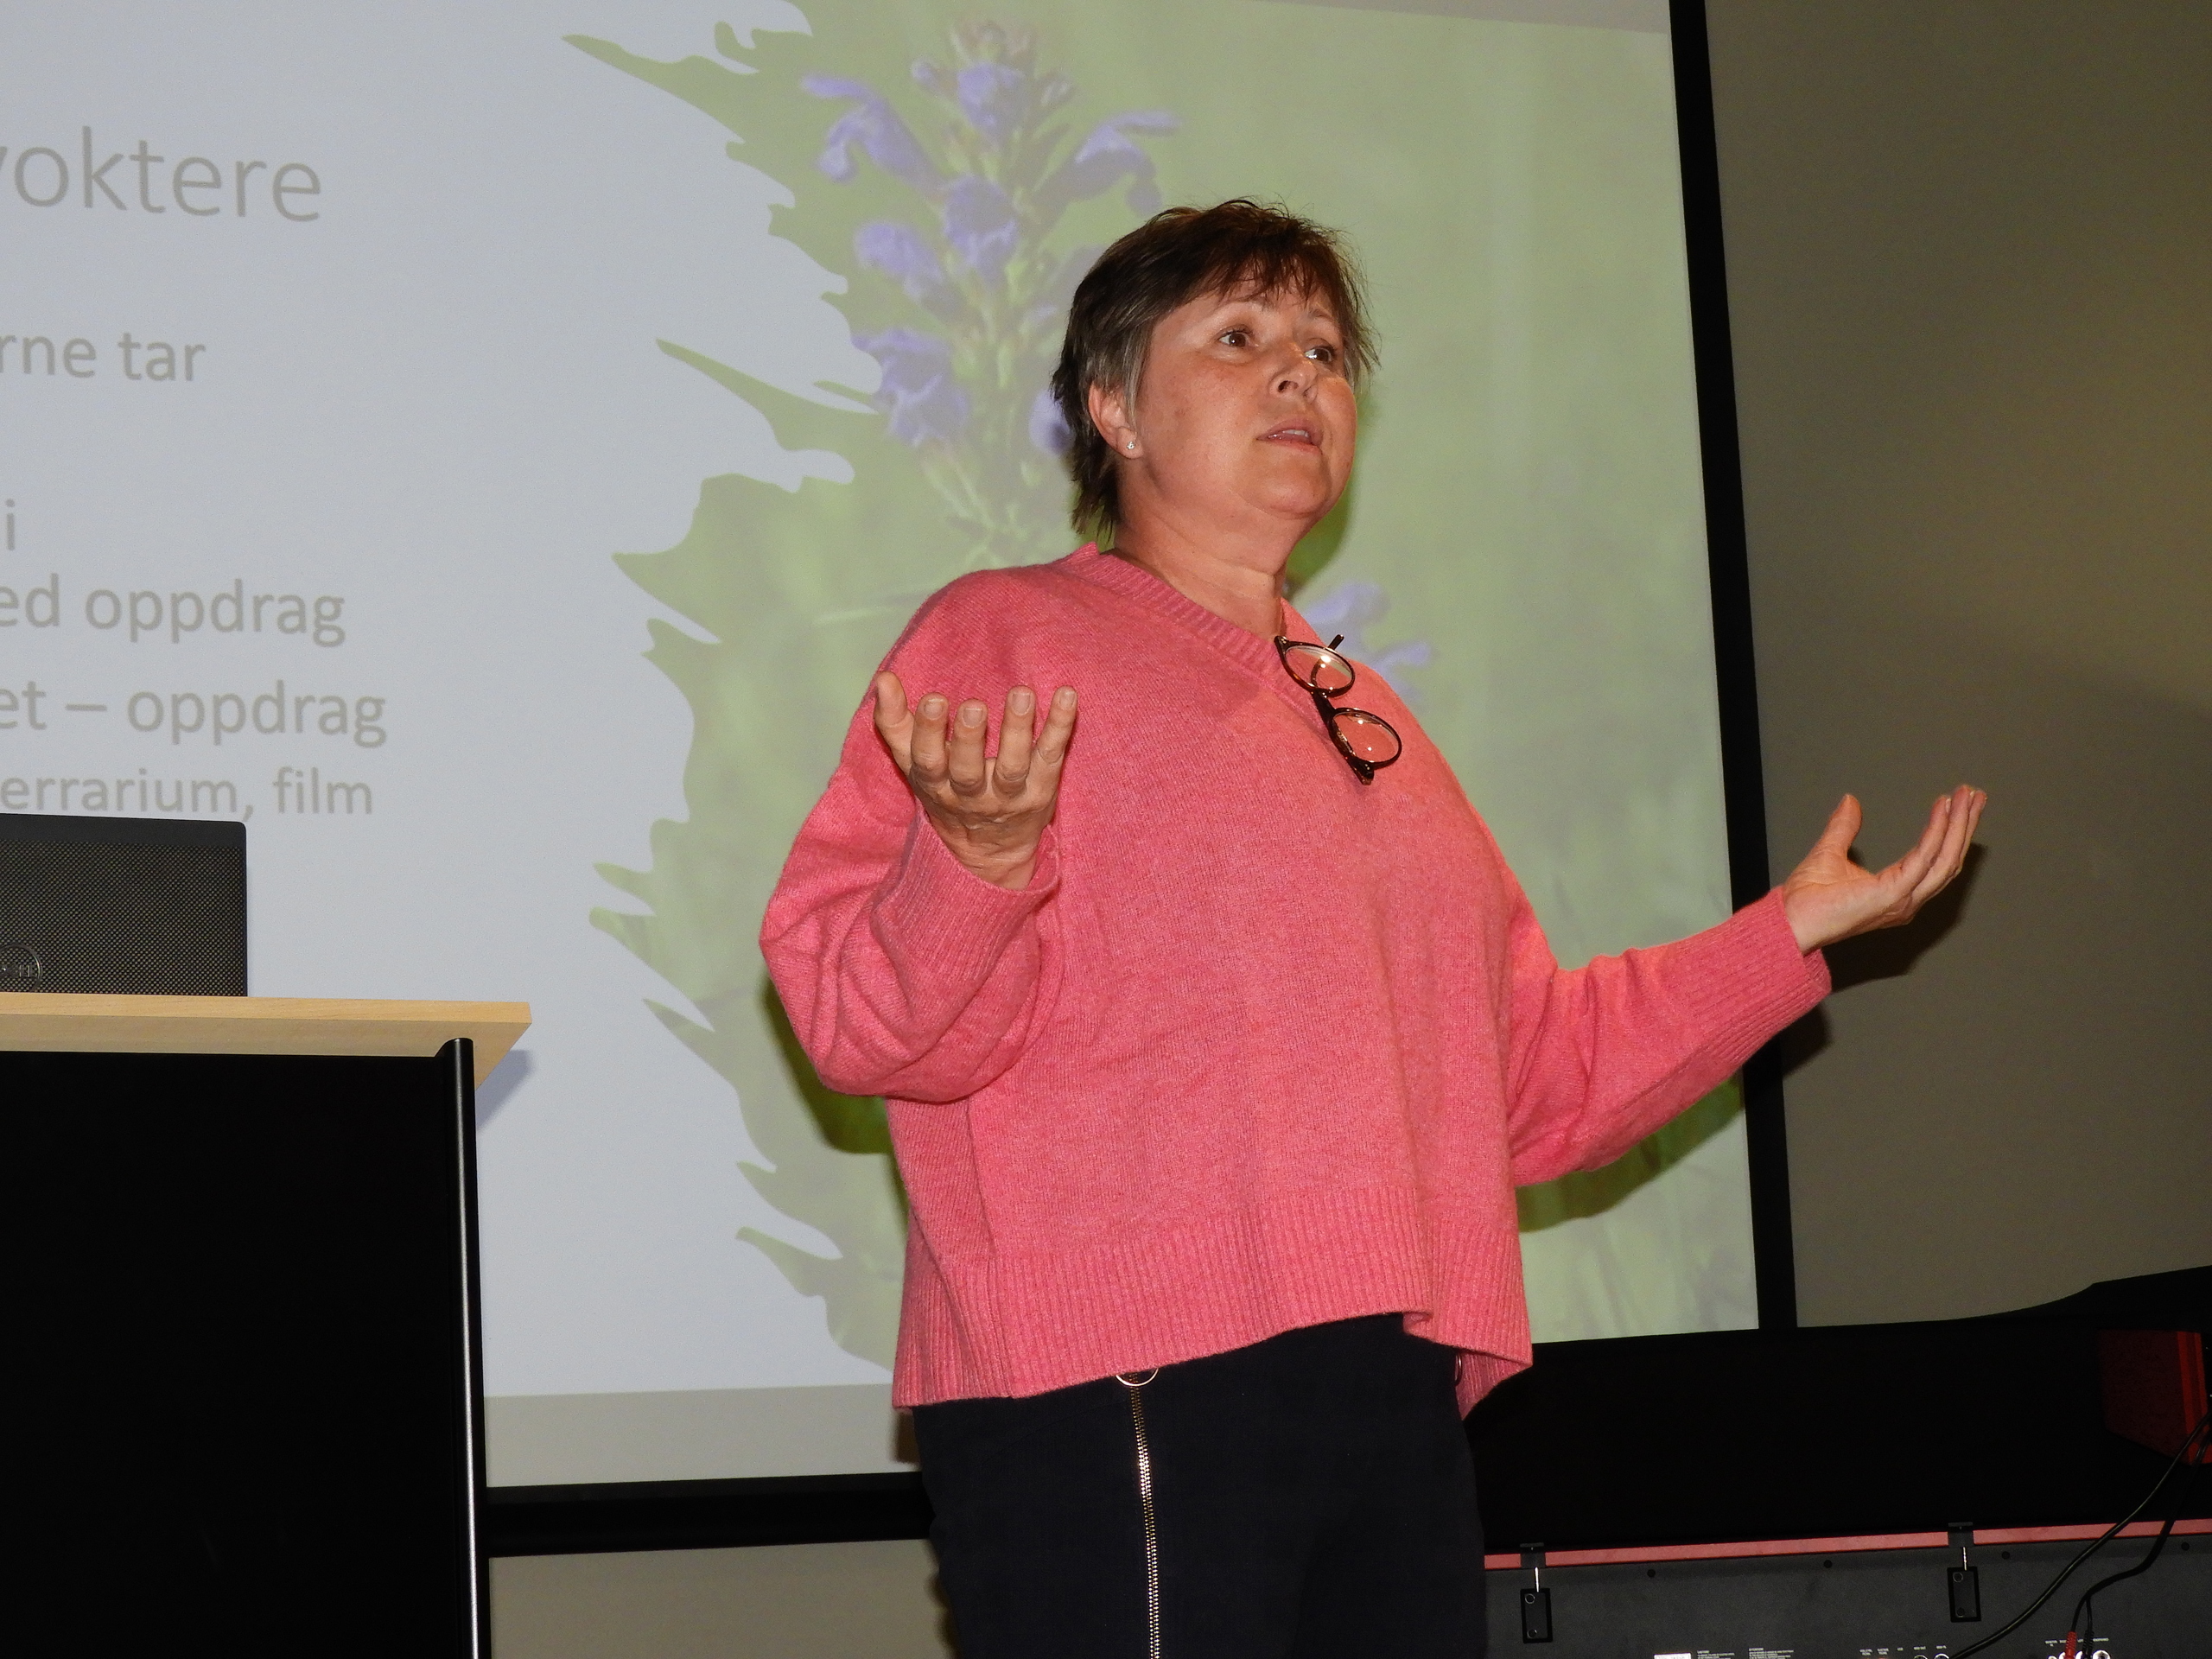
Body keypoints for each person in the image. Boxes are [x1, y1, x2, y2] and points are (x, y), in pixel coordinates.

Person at [761, 200, 1984, 1659]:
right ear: (1112, 408)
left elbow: (1528, 1080)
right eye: (1239, 338)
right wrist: (974, 862)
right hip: (1124, 1388)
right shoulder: (1005, 635)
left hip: (1392, 1385)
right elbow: (860, 1026)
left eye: (1326, 350)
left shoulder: (1364, 716)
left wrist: (1784, 937)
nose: (1300, 373)